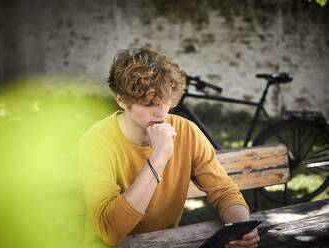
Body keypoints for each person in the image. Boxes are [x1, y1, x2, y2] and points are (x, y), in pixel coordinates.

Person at [79, 46, 260, 247]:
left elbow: (224, 192)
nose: (161, 113)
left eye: (165, 101)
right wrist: (158, 158)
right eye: (149, 104)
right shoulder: (97, 142)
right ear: (120, 99)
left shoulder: (186, 131)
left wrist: (242, 228)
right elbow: (110, 232)